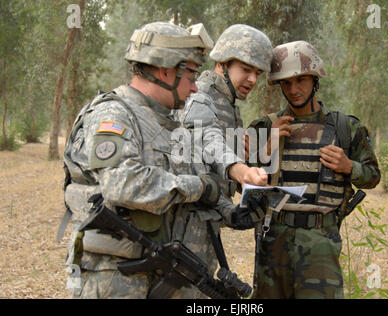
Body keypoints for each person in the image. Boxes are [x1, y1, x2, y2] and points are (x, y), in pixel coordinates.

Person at [62, 21, 266, 299]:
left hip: (166, 277)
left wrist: (229, 211)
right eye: (191, 76)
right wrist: (201, 187)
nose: (196, 89)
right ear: (166, 69)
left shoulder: (171, 124)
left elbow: (198, 184)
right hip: (119, 281)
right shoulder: (112, 115)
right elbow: (122, 184)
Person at [247, 40, 381, 299]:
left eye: (300, 80)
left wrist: (349, 166)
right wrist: (266, 150)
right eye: (286, 83)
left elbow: (373, 176)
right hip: (273, 241)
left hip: (321, 245)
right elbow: (242, 182)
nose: (293, 89)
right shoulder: (264, 126)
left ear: (315, 79)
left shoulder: (345, 128)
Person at [177, 24, 273, 199]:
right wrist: (240, 169)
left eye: (257, 73)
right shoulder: (199, 95)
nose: (252, 80)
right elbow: (205, 145)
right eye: (246, 69)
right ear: (222, 64)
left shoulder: (226, 102)